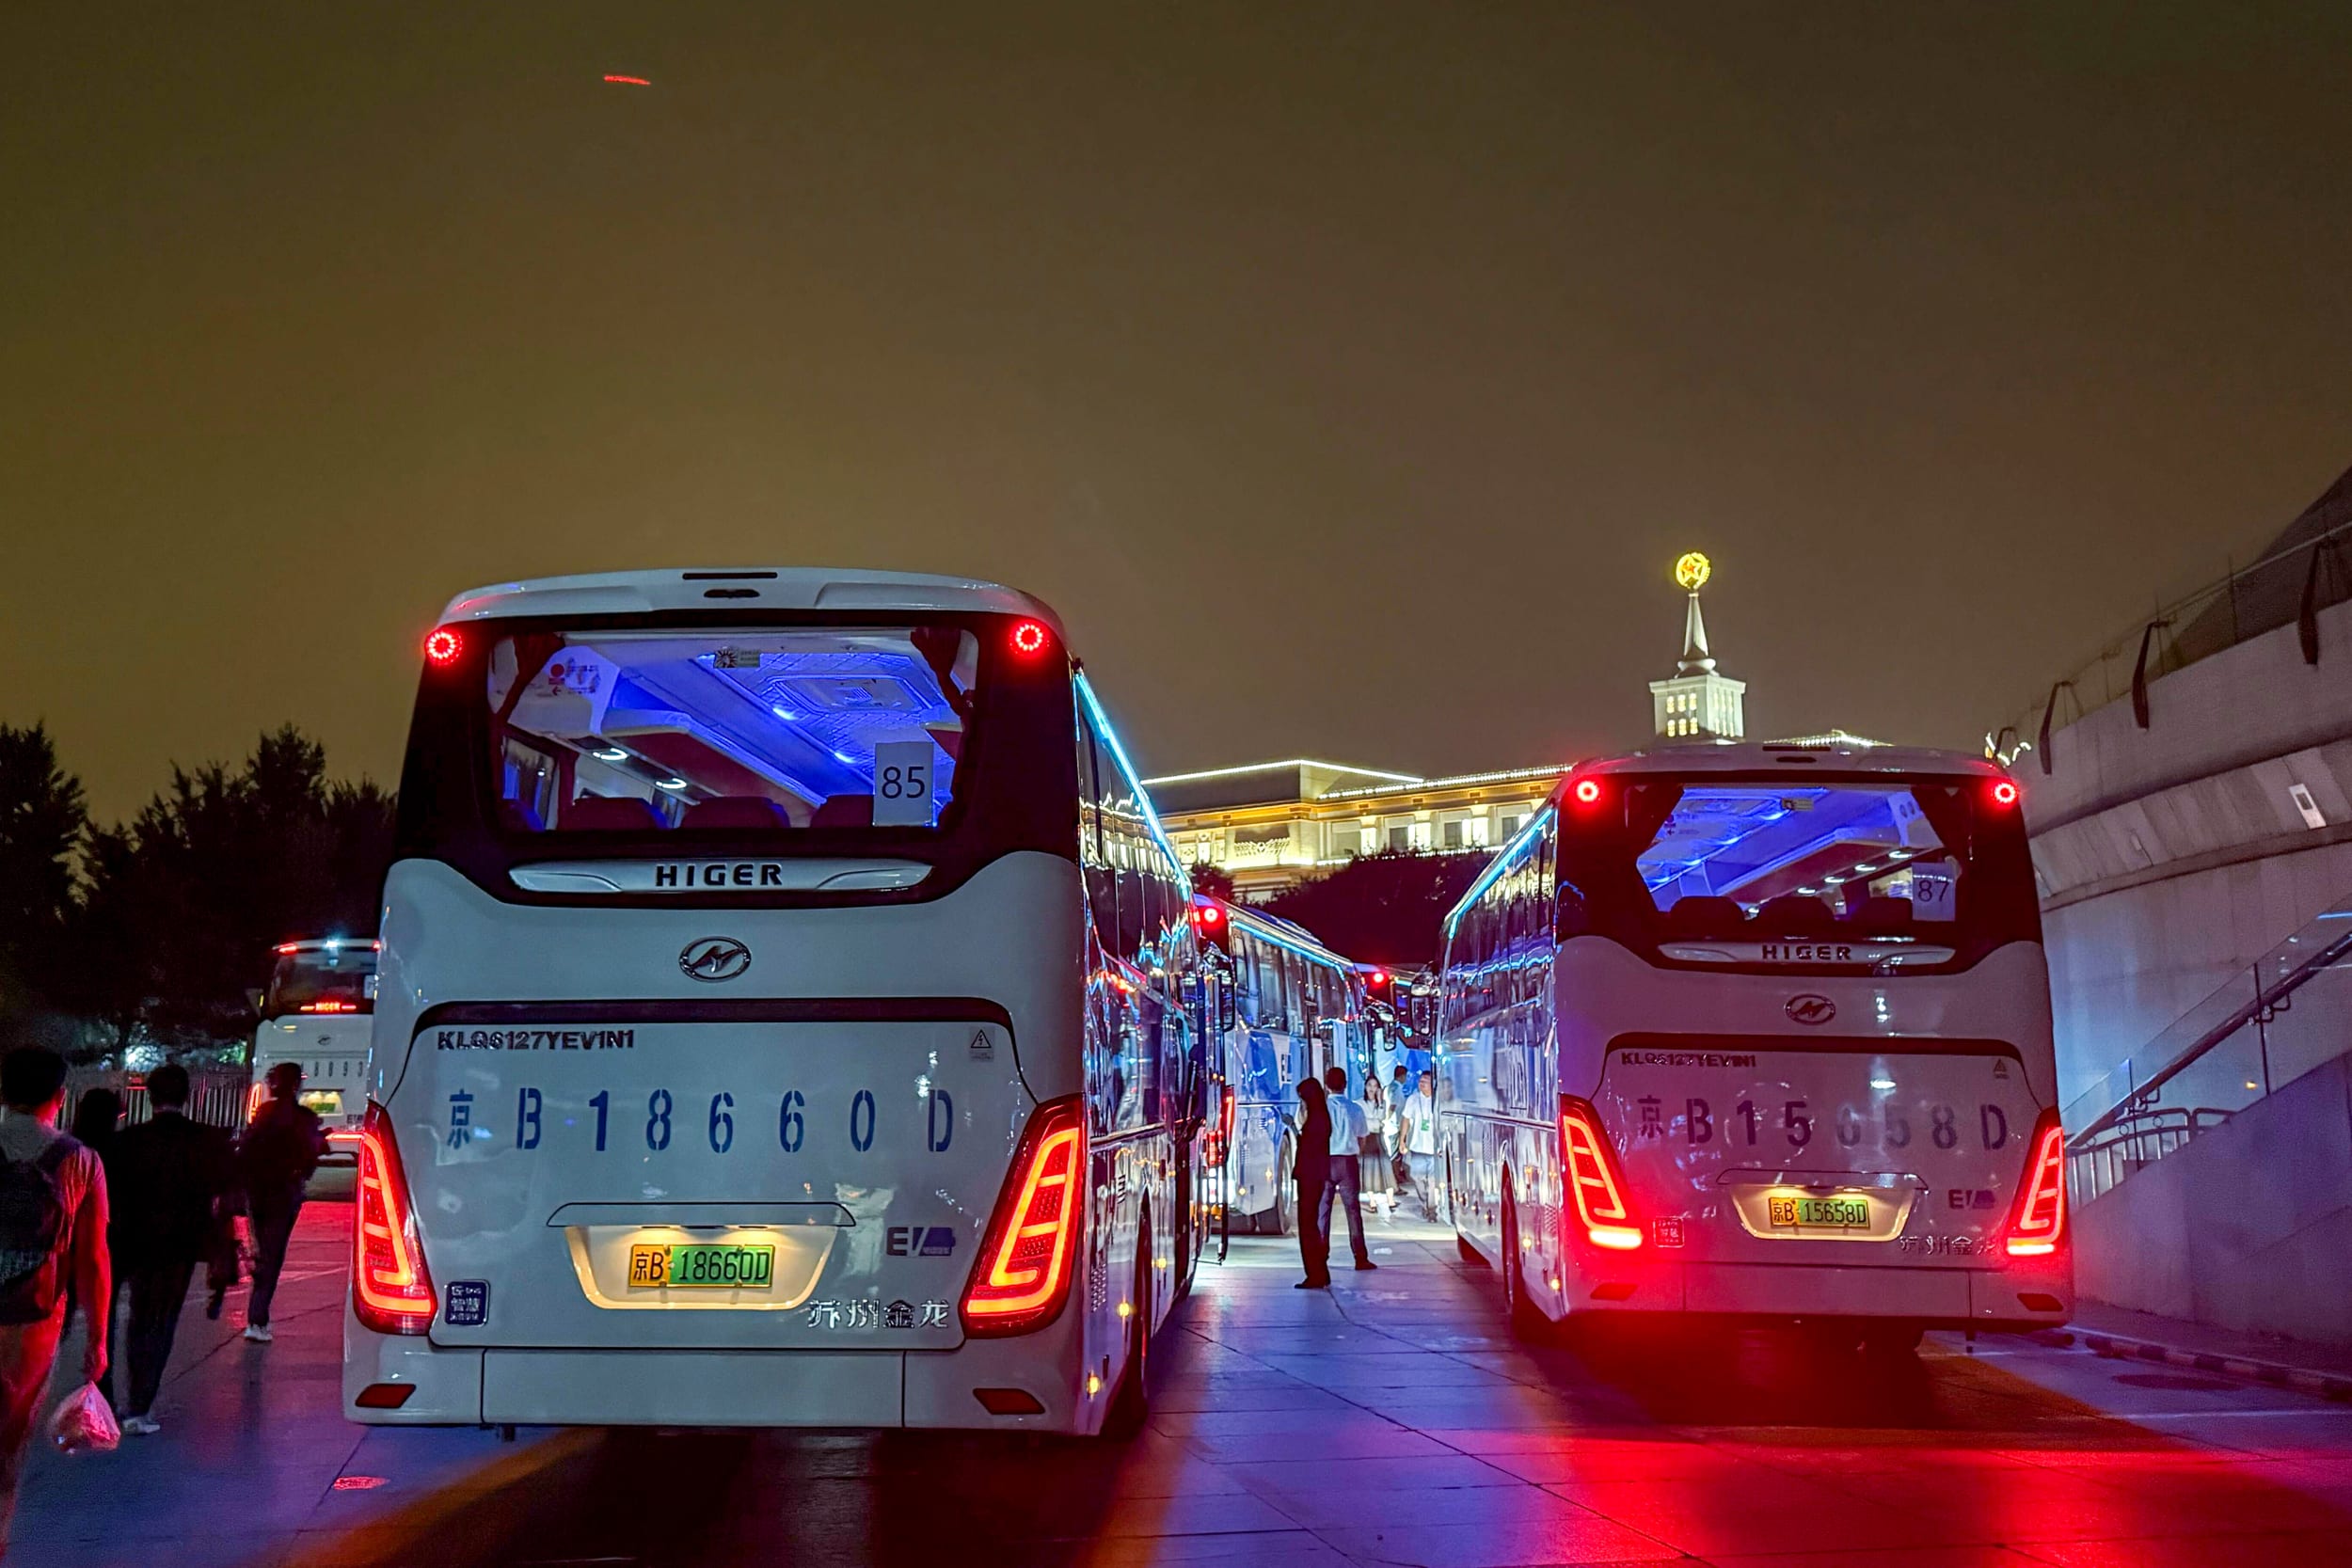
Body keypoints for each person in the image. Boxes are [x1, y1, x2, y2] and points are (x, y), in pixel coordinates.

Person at [0, 1047, 109, 1557]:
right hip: (33, 1318)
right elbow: (92, 1259)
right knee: (9, 1439)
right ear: (59, 1097)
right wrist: (98, 1339)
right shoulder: (80, 1161)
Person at [108, 1065, 233, 1433]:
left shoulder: (127, 1141)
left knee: (137, 1317)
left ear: (148, 1095)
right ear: (187, 1096)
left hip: (133, 1239)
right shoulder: (206, 1140)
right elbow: (223, 1196)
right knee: (163, 1319)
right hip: (181, 1241)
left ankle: (130, 1396)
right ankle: (140, 1403)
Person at [235, 1062, 324, 1343]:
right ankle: (258, 1316)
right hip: (285, 1191)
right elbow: (310, 1155)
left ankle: (257, 1315)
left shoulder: (264, 1114)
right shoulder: (304, 1118)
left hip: (258, 1190)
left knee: (263, 1248)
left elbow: (246, 1149)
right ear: (297, 1084)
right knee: (274, 1253)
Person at [64, 1088, 124, 1411]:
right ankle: (102, 1390)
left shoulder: (66, 1150)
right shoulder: (118, 1151)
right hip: (105, 1244)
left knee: (56, 1319)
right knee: (103, 1317)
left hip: (60, 1248)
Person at [1318, 1066, 1375, 1271]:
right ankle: (1360, 1257)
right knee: (1353, 1211)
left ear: (1326, 1085)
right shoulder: (1355, 1108)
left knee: (1323, 1211)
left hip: (1325, 1162)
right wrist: (1355, 1153)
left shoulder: (1322, 1108)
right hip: (1348, 1162)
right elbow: (1362, 1137)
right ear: (1346, 1085)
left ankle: (1321, 1257)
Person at [1290, 1079, 1331, 1289]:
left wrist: (1295, 1129)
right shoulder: (1322, 1117)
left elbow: (1307, 1148)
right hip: (1317, 1176)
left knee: (1307, 1227)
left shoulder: (1315, 1120)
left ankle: (1314, 1273)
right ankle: (1321, 1271)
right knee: (1312, 1225)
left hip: (1309, 1177)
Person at [1358, 1079, 1396, 1221]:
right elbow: (1364, 1121)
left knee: (1385, 1168)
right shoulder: (1359, 1103)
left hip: (1378, 1138)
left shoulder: (1381, 1104)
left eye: (1375, 1086)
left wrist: (1380, 1102)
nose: (1372, 1089)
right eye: (1369, 1085)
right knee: (1368, 1171)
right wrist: (1373, 1122)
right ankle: (1372, 1200)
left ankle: (1390, 1199)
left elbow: (1381, 1119)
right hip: (1366, 1138)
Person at [1403, 1069, 1439, 1215]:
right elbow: (1405, 1119)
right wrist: (1402, 1140)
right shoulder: (1413, 1099)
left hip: (1434, 1148)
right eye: (1421, 1081)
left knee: (1432, 1180)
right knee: (1417, 1178)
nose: (1421, 1084)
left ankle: (1431, 1209)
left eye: (1425, 1081)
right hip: (1417, 1146)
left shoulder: (1438, 1100)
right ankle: (1424, 1202)